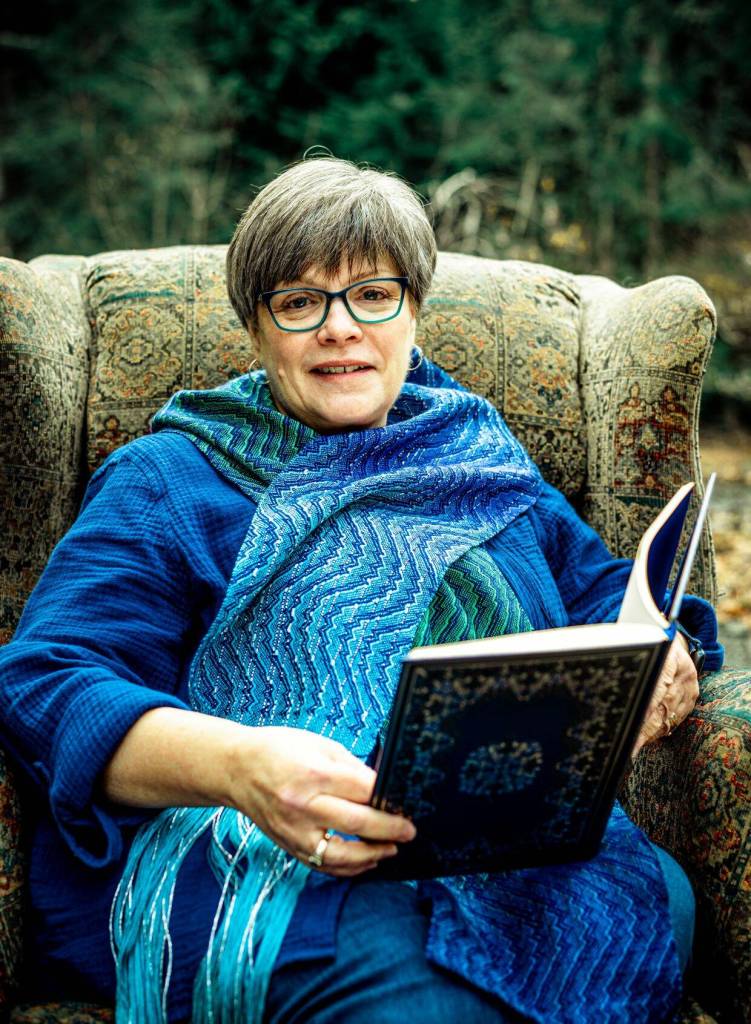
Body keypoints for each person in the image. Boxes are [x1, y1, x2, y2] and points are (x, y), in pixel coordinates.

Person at [0, 157, 722, 1024]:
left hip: (518, 849)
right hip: (262, 852)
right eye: (299, 303)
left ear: (413, 308)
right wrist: (239, 768)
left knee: (647, 907)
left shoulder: (483, 461)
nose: (340, 328)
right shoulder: (170, 479)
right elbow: (47, 679)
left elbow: (618, 594)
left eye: (372, 294)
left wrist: (667, 648)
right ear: (256, 328)